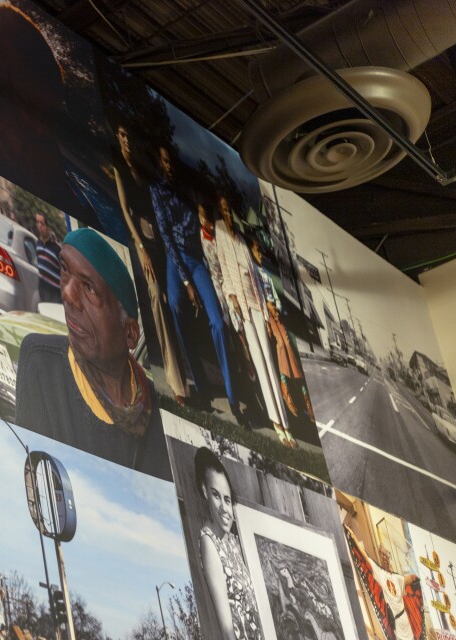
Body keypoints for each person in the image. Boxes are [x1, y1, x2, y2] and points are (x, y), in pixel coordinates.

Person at [15, 228, 171, 480]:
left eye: (89, 288)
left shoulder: (157, 409)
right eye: (64, 270)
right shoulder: (41, 363)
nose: (67, 294)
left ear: (130, 334)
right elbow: (33, 477)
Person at [151, 146, 237, 416]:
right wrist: (187, 282)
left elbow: (205, 221)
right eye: (165, 160)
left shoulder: (190, 190)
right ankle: (202, 391)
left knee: (217, 321)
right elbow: (165, 234)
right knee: (176, 305)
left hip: (197, 258)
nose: (170, 165)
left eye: (172, 160)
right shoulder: (157, 190)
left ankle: (234, 399)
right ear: (160, 163)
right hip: (174, 257)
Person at [112, 124, 189, 405]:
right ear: (117, 138)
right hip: (142, 241)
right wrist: (141, 247)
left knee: (172, 302)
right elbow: (124, 209)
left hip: (161, 242)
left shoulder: (145, 168)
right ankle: (176, 381)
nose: (126, 139)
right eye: (121, 134)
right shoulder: (120, 168)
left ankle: (184, 373)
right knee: (156, 297)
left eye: (129, 133)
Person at [213, 196, 295, 446]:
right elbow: (224, 271)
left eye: (230, 211)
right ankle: (276, 423)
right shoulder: (220, 236)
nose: (228, 215)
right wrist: (232, 298)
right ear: (221, 212)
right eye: (224, 210)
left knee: (269, 362)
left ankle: (286, 426)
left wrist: (265, 311)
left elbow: (256, 279)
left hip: (256, 306)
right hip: (242, 309)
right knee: (259, 363)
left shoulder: (241, 239)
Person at [194, 447, 264, 640]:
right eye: (216, 495)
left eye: (227, 499)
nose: (224, 508)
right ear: (204, 491)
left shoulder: (233, 541)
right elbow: (226, 631)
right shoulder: (209, 543)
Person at [344, 526, 425, 640]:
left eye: (386, 554)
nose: (385, 557)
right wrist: (352, 536)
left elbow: (412, 579)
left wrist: (418, 577)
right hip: (395, 622)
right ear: (380, 557)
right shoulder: (380, 574)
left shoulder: (397, 578)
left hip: (404, 619)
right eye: (382, 555)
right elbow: (366, 557)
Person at [34, 212, 62, 304]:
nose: (39, 226)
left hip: (55, 292)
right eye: (37, 222)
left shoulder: (57, 249)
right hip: (42, 288)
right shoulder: (37, 244)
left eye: (42, 223)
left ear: (48, 226)